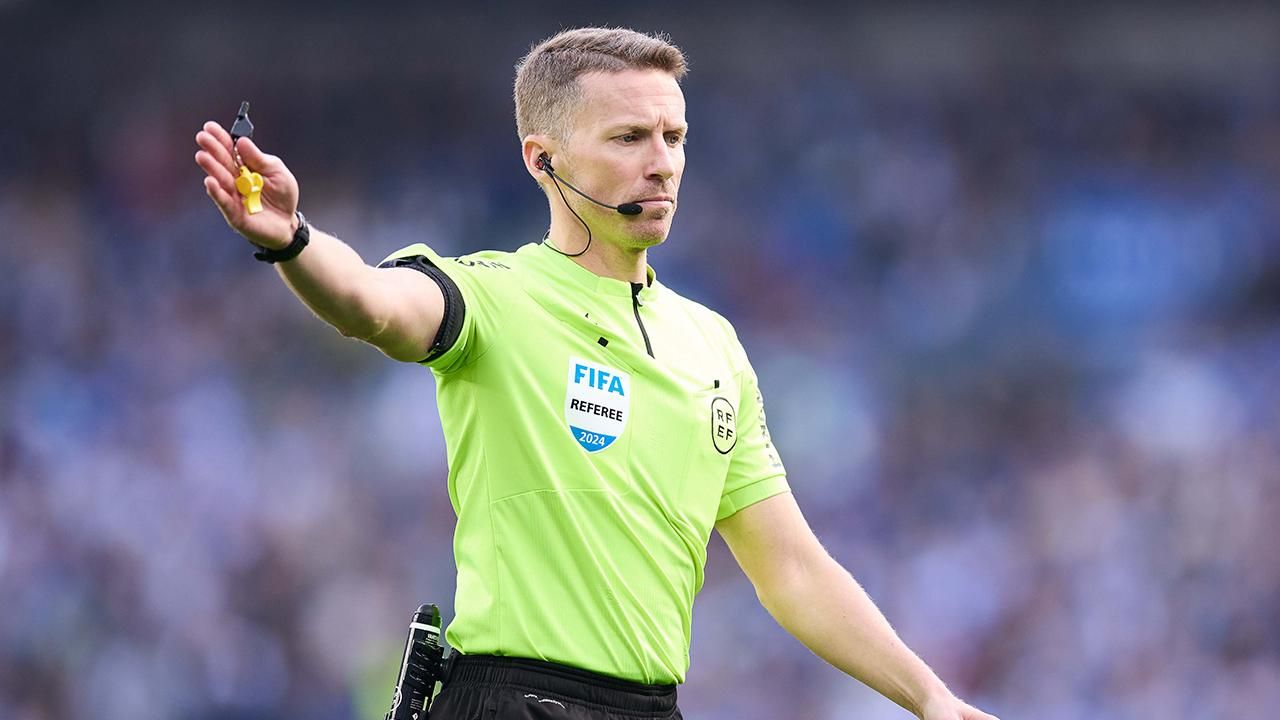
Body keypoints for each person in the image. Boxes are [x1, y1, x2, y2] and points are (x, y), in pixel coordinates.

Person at [194, 27, 1000, 720]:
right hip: (512, 700)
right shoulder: (494, 297)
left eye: (674, 137)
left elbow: (791, 569)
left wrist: (929, 697)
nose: (662, 164)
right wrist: (293, 240)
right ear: (543, 159)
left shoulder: (712, 345)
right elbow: (369, 304)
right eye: (629, 138)